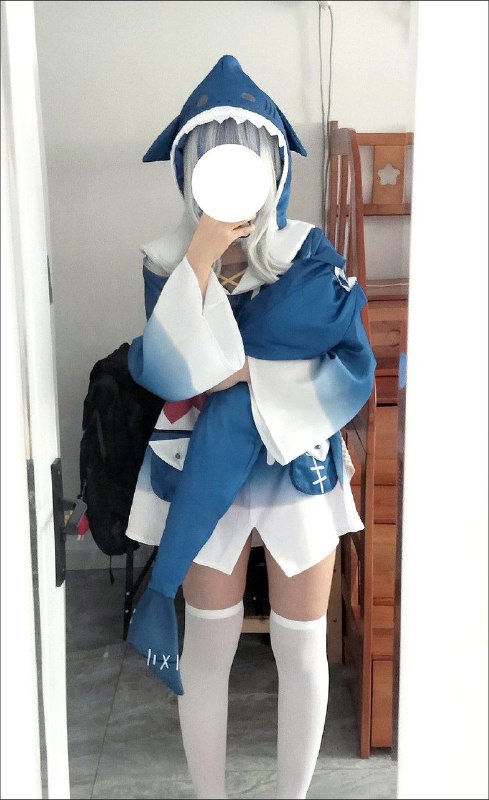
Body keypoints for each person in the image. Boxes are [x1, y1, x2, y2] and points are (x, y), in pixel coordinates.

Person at [126, 55, 376, 800]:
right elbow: (172, 373)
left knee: (302, 649)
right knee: (208, 651)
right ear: (190, 171)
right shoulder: (166, 258)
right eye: (211, 158)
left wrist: (239, 373)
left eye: (246, 157)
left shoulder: (308, 252)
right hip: (203, 469)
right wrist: (200, 259)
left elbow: (344, 356)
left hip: (296, 461)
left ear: (273, 168)